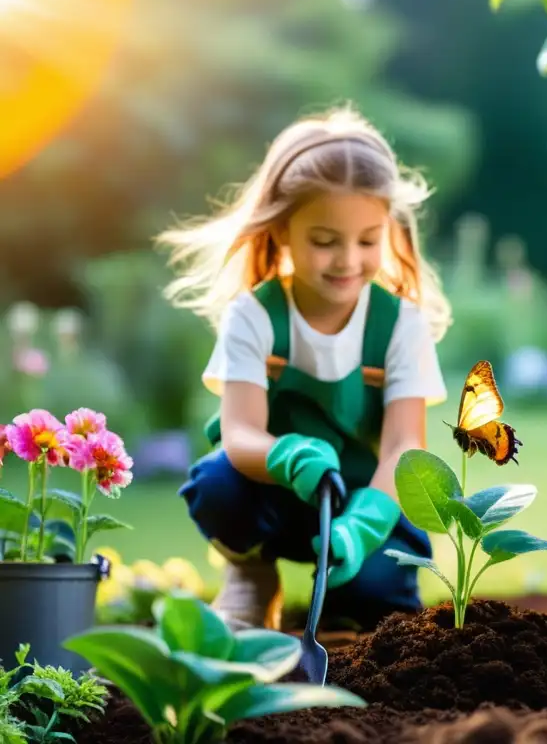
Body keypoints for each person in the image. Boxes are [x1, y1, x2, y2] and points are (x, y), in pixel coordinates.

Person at [156, 105, 450, 632]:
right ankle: (251, 576)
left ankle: (345, 597)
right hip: (281, 495)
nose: (348, 261)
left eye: (367, 240)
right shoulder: (255, 315)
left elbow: (404, 447)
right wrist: (285, 454)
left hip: (371, 501)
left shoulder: (399, 325)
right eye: (324, 241)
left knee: (374, 597)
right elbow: (239, 432)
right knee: (216, 485)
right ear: (282, 230)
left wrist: (363, 525)